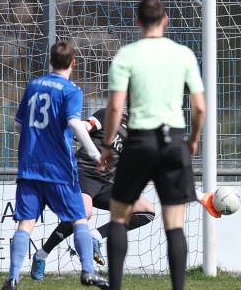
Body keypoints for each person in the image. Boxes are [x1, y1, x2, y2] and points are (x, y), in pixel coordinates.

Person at [89, 0, 206, 290]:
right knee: (174, 223)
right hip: (173, 142)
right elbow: (199, 107)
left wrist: (108, 145)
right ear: (165, 20)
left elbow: (114, 107)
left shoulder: (127, 54)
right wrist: (192, 140)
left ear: (138, 23)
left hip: (139, 142)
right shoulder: (182, 54)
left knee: (118, 216)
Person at [0, 41, 109, 290]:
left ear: (50, 60)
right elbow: (73, 122)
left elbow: (18, 124)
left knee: (26, 223)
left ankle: (13, 278)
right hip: (58, 167)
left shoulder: (33, 86)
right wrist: (95, 154)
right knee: (79, 219)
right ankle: (87, 272)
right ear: (74, 62)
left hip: (29, 166)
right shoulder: (71, 90)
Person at [29, 108, 156, 279]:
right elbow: (85, 127)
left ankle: (95, 236)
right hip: (84, 172)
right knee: (84, 213)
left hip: (109, 183)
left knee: (146, 211)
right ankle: (41, 255)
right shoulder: (110, 114)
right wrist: (81, 128)